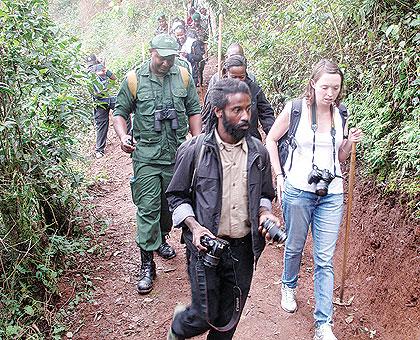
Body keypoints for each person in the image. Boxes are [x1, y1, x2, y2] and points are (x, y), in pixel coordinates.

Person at [166, 78, 279, 340]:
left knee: (227, 320)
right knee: (204, 316)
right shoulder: (194, 150)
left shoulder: (258, 153)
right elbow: (176, 196)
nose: (245, 117)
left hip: (243, 251)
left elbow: (264, 194)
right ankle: (179, 327)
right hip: (206, 249)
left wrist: (265, 214)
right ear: (218, 111)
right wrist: (194, 227)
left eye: (248, 109)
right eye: (236, 110)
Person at [265, 59, 363, 340]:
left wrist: (350, 142)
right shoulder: (296, 109)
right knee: (294, 246)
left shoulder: (340, 114)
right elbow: (271, 139)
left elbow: (339, 157)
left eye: (335, 87)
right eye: (325, 87)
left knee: (324, 258)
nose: (330, 93)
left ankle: (323, 324)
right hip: (297, 188)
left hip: (331, 193)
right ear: (313, 84)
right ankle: (288, 284)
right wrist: (279, 175)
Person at [113, 34, 202, 295]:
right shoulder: (133, 79)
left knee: (169, 207)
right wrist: (122, 136)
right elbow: (119, 112)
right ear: (151, 52)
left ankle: (161, 237)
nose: (165, 62)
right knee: (148, 207)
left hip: (177, 156)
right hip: (147, 157)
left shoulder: (184, 76)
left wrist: (198, 143)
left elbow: (193, 110)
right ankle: (146, 264)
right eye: (161, 57)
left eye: (170, 57)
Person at [203, 55, 275, 140]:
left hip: (249, 139)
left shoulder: (254, 90)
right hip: (223, 141)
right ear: (227, 73)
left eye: (241, 77)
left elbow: (266, 113)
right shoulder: (218, 90)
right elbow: (207, 118)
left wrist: (273, 135)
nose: (238, 81)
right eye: (234, 77)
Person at [88, 57, 117, 158]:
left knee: (123, 112)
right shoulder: (92, 71)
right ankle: (99, 149)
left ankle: (99, 150)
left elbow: (113, 78)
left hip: (106, 99)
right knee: (102, 124)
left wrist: (105, 70)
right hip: (101, 101)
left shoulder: (97, 68)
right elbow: (114, 78)